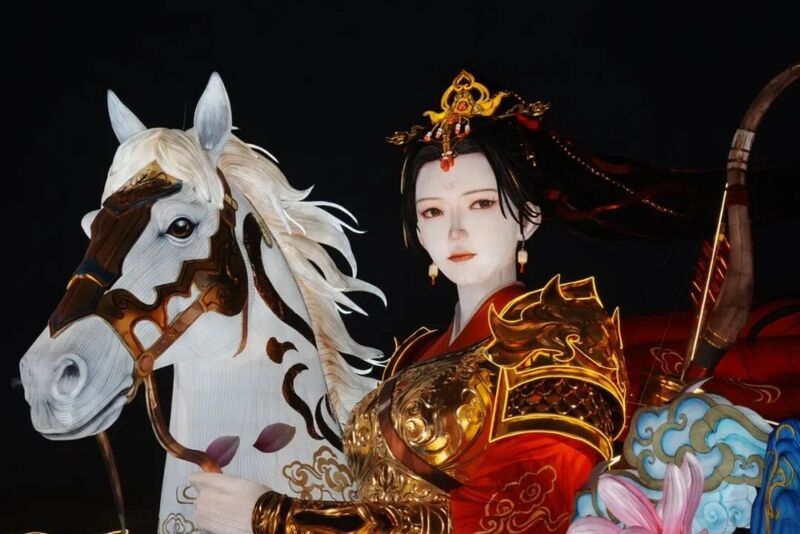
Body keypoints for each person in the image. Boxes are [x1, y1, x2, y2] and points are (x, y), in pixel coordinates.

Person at [189, 69, 630, 533]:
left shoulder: (560, 339)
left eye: (480, 204)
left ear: (529, 216)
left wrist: (278, 519)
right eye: (433, 211)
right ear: (419, 231)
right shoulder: (413, 355)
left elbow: (514, 514)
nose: (455, 230)